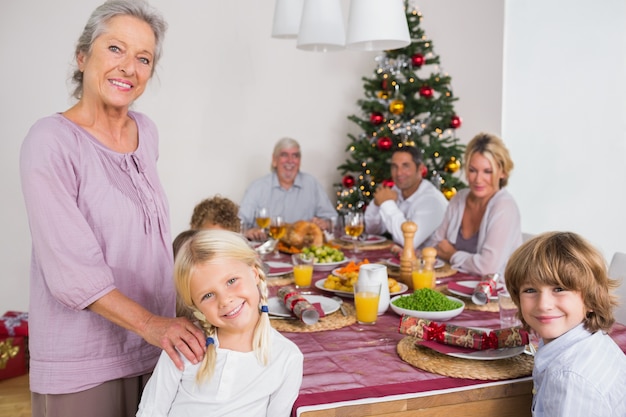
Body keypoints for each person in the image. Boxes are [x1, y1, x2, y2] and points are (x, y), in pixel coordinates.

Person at [19, 2, 205, 416]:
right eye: (116, 49)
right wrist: (154, 325)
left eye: (143, 58)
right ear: (82, 55)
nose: (129, 68)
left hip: (155, 350)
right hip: (85, 360)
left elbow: (143, 242)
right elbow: (72, 274)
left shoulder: (147, 132)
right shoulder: (50, 141)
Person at [137, 230, 304, 416]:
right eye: (208, 295)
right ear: (197, 306)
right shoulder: (185, 344)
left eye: (231, 281)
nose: (224, 300)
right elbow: (151, 411)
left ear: (254, 273)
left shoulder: (286, 357)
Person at [504, 232, 626, 417]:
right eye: (530, 290)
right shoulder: (591, 342)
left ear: (592, 299)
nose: (543, 304)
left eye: (559, 289)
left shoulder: (571, 380)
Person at [425, 133, 522, 275]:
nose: (478, 179)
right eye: (472, 170)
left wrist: (452, 255)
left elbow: (487, 268)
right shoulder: (459, 198)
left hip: (494, 293)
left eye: (487, 171)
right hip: (454, 286)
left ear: (503, 173)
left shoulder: (504, 207)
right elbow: (435, 245)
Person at [238, 137, 337, 241]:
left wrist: (326, 223)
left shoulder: (311, 184)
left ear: (299, 161)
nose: (290, 161)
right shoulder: (257, 187)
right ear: (274, 160)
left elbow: (333, 218)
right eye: (284, 155)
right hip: (266, 249)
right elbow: (239, 222)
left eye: (295, 156)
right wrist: (247, 232)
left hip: (303, 251)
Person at [364, 146, 448, 249]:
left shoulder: (432, 201)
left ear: (420, 169)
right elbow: (373, 231)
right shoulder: (397, 190)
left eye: (406, 166)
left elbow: (409, 242)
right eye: (395, 167)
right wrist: (377, 204)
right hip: (402, 260)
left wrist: (387, 203)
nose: (399, 173)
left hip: (431, 263)